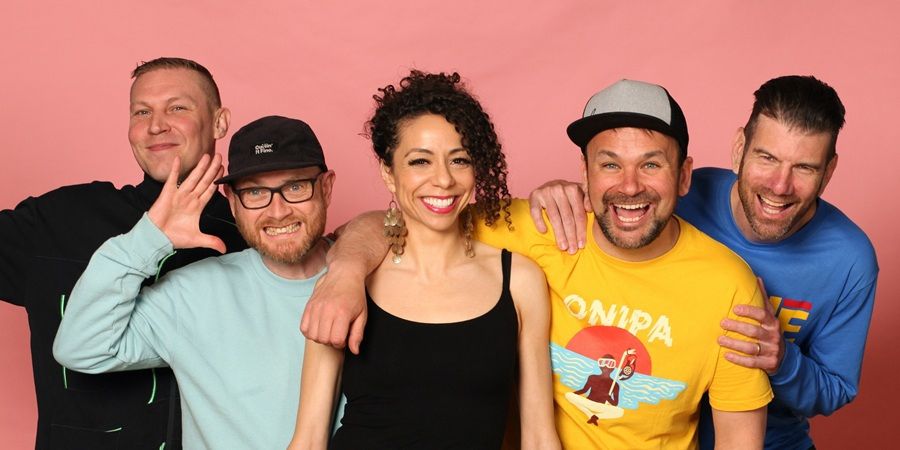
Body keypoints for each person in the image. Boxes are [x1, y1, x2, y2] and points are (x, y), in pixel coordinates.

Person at [300, 78, 772, 449]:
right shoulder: (537, 228)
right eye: (609, 164)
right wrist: (344, 273)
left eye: (651, 164)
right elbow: (401, 220)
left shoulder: (727, 285)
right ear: (584, 174)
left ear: (684, 176)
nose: (629, 185)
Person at [527, 75, 878, 450]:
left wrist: (782, 360)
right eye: (767, 158)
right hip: (657, 433)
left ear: (829, 171)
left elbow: (836, 388)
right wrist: (564, 196)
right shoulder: (679, 197)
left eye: (805, 167)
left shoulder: (850, 259)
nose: (780, 185)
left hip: (772, 442)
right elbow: (620, 198)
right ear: (739, 148)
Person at [288, 71, 559, 450]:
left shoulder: (519, 280)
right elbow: (308, 439)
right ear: (388, 173)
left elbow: (539, 437)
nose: (443, 180)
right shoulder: (345, 286)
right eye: (420, 162)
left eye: (459, 160)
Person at [0, 57, 246, 449]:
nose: (156, 125)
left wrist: (349, 256)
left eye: (177, 108)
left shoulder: (255, 237)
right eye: (142, 112)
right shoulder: (59, 221)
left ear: (219, 122)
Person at [53, 116, 336, 449]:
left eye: (296, 187)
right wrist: (147, 239)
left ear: (326, 187)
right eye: (255, 192)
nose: (278, 211)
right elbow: (81, 347)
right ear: (232, 201)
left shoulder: (368, 274)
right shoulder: (193, 294)